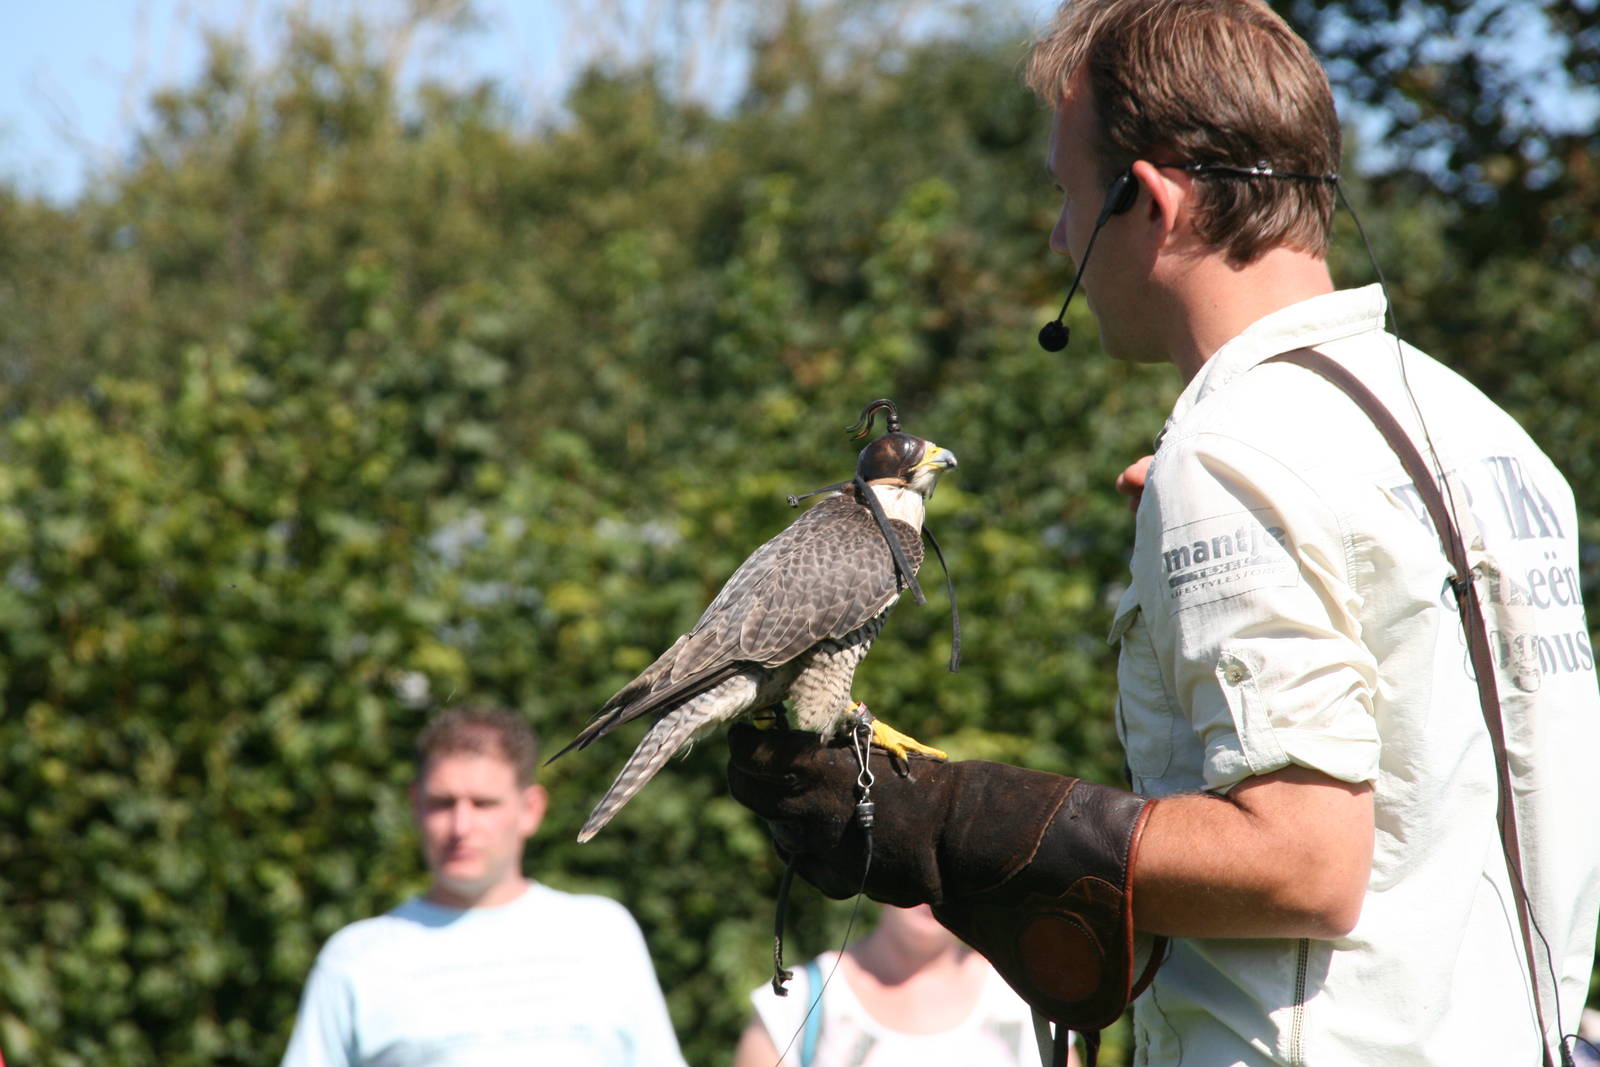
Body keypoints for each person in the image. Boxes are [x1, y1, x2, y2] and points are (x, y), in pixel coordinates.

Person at [725, 1, 1600, 1064]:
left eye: (1065, 195)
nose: (1057, 237)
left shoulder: (1238, 453)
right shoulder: (1483, 435)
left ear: (1145, 199)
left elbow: (1307, 865)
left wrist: (955, 820)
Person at [281, 706, 688, 1067]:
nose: (461, 827)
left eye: (483, 804)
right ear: (415, 806)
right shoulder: (356, 958)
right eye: (443, 803)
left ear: (530, 809)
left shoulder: (602, 933)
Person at [732, 902, 1068, 1067]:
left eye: (947, 862)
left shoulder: (1026, 1002)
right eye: (912, 863)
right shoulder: (796, 1001)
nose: (926, 887)